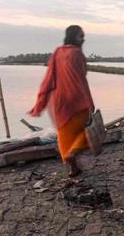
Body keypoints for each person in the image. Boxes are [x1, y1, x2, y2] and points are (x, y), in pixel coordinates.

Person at [28, 25, 94, 177]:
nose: (83, 39)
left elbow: (48, 80)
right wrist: (90, 103)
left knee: (64, 137)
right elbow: (81, 80)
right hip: (77, 100)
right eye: (80, 36)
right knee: (86, 132)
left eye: (83, 36)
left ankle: (72, 167)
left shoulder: (57, 52)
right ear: (72, 37)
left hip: (59, 104)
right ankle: (74, 152)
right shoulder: (78, 54)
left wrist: (39, 105)